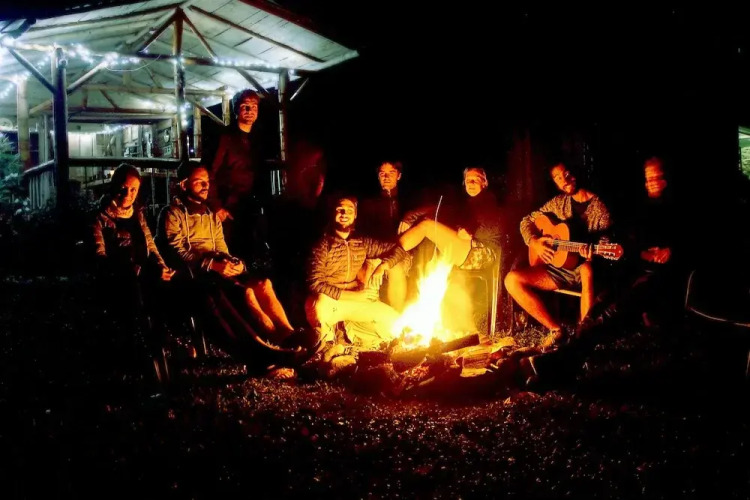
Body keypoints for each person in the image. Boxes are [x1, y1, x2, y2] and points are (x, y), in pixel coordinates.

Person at [158, 163, 314, 369]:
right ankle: (272, 344)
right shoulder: (172, 214)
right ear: (184, 184)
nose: (205, 186)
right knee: (246, 292)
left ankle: (288, 335)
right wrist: (212, 265)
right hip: (198, 274)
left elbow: (221, 247)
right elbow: (176, 250)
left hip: (220, 269)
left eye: (207, 182)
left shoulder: (211, 215)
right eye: (198, 182)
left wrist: (235, 263)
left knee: (263, 284)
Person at [504, 162, 612, 348]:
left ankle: (583, 338)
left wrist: (592, 256)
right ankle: (556, 329)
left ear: (575, 173)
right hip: (559, 269)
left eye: (567, 174)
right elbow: (526, 221)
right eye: (558, 178)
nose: (565, 180)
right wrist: (534, 242)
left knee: (587, 269)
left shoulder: (600, 209)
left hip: (584, 268)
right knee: (511, 280)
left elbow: (606, 242)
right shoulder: (558, 203)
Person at [305, 196, 409, 348]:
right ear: (333, 213)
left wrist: (383, 266)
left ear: (355, 215)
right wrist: (355, 296)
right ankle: (328, 345)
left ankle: (348, 331)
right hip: (331, 301)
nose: (344, 214)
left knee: (394, 321)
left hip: (356, 301)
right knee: (319, 306)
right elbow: (315, 283)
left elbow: (398, 250)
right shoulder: (322, 245)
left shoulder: (362, 242)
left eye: (349, 210)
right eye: (340, 210)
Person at [92, 164, 174, 319]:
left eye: (133, 190)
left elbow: (150, 244)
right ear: (114, 186)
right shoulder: (100, 218)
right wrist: (136, 270)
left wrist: (161, 265)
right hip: (121, 280)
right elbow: (100, 257)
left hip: (145, 272)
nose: (127, 194)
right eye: (123, 188)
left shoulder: (138, 215)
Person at [398, 167, 503, 272]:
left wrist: (471, 232)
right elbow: (441, 210)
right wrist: (411, 216)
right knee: (431, 234)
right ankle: (402, 260)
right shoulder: (468, 203)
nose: (471, 183)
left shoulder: (488, 200)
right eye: (468, 180)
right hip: (470, 247)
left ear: (484, 183)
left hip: (483, 253)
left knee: (426, 226)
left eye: (476, 179)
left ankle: (394, 256)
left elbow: (491, 226)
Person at [204, 89, 267, 262]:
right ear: (236, 109)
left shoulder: (257, 140)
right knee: (229, 254)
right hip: (228, 209)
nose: (249, 110)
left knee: (250, 255)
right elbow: (209, 172)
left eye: (254, 107)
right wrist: (217, 206)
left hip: (250, 208)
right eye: (245, 106)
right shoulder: (224, 138)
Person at [358, 161, 412, 311]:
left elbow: (430, 207)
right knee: (369, 268)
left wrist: (410, 216)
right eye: (382, 174)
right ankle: (368, 314)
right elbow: (363, 233)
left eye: (391, 173)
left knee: (396, 268)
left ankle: (396, 314)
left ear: (399, 176)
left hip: (399, 252)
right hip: (375, 251)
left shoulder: (407, 201)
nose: (386, 177)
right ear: (378, 177)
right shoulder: (369, 203)